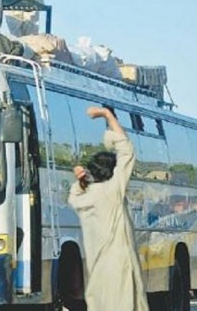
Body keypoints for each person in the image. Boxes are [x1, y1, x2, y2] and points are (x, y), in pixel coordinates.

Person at [68, 106, 149, 311]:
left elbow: (73, 196)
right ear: (112, 171)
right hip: (118, 269)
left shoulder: (83, 199)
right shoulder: (113, 192)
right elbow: (126, 150)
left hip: (97, 273)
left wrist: (80, 181)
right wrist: (108, 115)